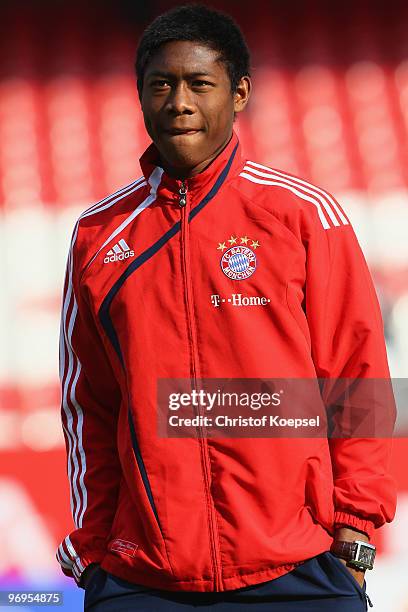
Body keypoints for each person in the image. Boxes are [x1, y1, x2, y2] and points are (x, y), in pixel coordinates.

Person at [56, 4, 397, 611]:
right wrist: (95, 552)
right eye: (161, 85)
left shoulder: (303, 215)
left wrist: (353, 532)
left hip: (301, 570)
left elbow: (358, 379)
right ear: (140, 98)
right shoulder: (99, 234)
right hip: (144, 579)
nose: (179, 102)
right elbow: (89, 403)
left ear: (238, 94)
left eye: (199, 84)